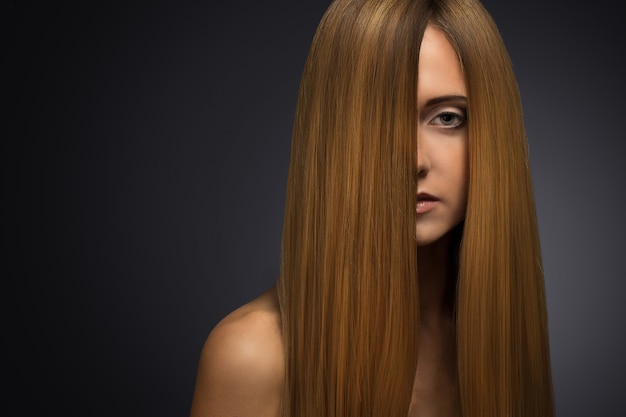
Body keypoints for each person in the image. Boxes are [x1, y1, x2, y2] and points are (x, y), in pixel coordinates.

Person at [189, 0, 554, 415]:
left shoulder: (503, 340)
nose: (414, 160)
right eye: (380, 122)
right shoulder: (253, 357)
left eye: (448, 118)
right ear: (333, 137)